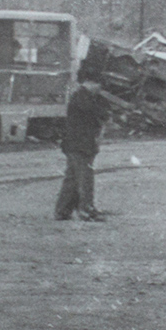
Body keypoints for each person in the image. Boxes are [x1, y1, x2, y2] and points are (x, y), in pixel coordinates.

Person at [54, 69, 110, 221]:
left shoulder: (81, 96)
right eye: (98, 85)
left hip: (75, 144)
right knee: (85, 179)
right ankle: (86, 210)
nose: (99, 88)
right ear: (90, 82)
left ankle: (63, 210)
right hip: (81, 144)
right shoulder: (83, 97)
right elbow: (96, 113)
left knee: (72, 179)